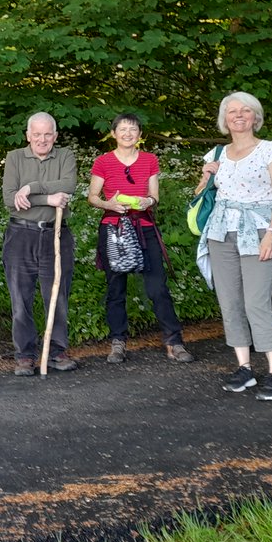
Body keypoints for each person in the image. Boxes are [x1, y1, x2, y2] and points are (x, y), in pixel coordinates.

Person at [195, 92, 272, 401]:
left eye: (245, 111)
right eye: (232, 111)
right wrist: (204, 177)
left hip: (259, 231)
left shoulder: (271, 151)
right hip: (220, 232)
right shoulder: (216, 153)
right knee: (230, 302)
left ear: (255, 117)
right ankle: (245, 369)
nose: (238, 115)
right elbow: (200, 196)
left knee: (256, 303)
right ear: (225, 120)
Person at [86, 113, 191, 365]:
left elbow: (155, 196)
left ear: (139, 134)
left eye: (132, 129)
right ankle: (118, 341)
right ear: (113, 133)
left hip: (144, 228)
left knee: (158, 287)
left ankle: (174, 341)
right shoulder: (103, 162)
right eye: (122, 129)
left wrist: (148, 201)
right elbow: (92, 196)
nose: (127, 133)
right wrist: (108, 203)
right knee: (115, 288)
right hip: (114, 229)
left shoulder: (149, 160)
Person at [2, 112, 78, 376]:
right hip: (20, 235)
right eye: (37, 134)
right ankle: (25, 355)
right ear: (28, 136)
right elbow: (10, 198)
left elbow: (69, 185)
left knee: (56, 296)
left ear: (55, 136)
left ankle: (57, 351)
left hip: (56, 235)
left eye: (47, 134)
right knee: (20, 298)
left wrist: (31, 187)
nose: (42, 139)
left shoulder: (65, 156)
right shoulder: (15, 158)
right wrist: (47, 199)